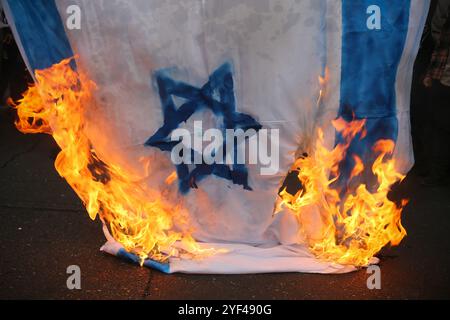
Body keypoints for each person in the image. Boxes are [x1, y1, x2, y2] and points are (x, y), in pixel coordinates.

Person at [422, 0, 450, 186]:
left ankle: (437, 173)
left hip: (444, 79)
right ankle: (435, 171)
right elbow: (440, 38)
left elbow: (438, 31)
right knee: (438, 126)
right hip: (443, 77)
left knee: (440, 128)